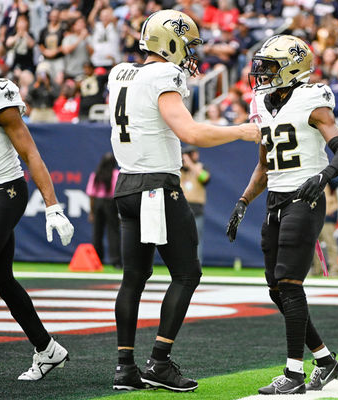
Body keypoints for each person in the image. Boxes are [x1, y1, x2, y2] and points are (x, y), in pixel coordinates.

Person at [107, 10, 259, 392]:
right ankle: (158, 362)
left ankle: (125, 367)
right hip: (157, 186)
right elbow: (190, 131)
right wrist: (240, 131)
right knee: (187, 273)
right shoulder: (164, 75)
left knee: (133, 278)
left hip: (126, 185)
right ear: (169, 42)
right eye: (188, 45)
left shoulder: (121, 73)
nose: (191, 53)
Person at [226, 34, 338, 395]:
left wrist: (323, 176)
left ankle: (294, 373)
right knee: (276, 289)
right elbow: (265, 164)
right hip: (275, 200)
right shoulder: (262, 102)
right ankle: (326, 361)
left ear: (292, 67)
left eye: (269, 66)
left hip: (305, 197)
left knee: (290, 283)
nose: (262, 73)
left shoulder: (312, 99)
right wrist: (244, 200)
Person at [0, 30, 75, 380]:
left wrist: (52, 206)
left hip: (3, 190)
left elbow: (29, 151)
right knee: (0, 278)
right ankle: (47, 348)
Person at [86, 152, 121, 269]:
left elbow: (91, 195)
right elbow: (117, 194)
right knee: (113, 233)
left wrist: (92, 212)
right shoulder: (116, 174)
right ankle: (116, 261)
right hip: (110, 203)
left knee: (97, 233)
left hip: (98, 203)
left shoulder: (96, 175)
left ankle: (97, 261)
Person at [179, 145, 210, 262]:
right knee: (180, 240)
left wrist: (191, 165)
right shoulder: (179, 170)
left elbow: (205, 178)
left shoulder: (201, 168)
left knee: (196, 240)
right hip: (181, 209)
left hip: (196, 210)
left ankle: (196, 265)